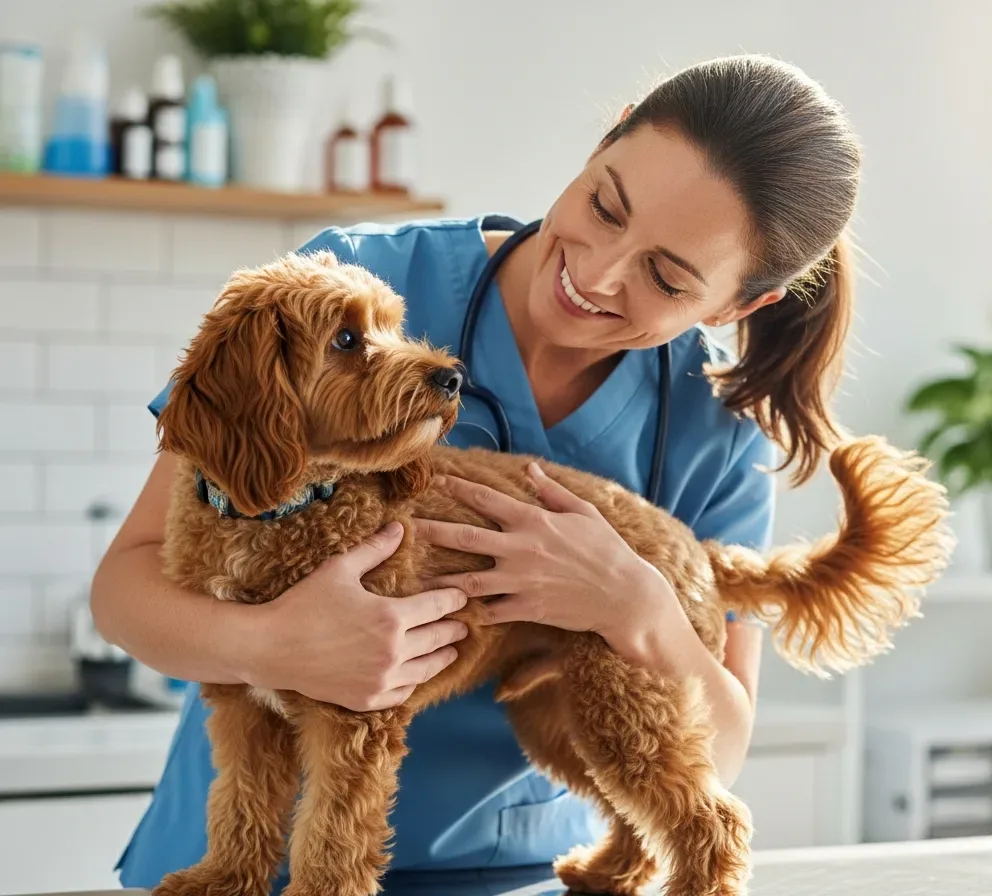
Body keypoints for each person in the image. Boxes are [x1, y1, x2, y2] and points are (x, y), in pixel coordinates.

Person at [92, 53, 861, 891]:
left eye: (666, 275)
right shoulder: (345, 281)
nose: (598, 273)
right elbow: (125, 589)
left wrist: (638, 610)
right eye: (604, 205)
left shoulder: (717, 428)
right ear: (602, 142)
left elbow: (720, 748)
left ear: (735, 307)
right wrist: (275, 646)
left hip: (502, 876)